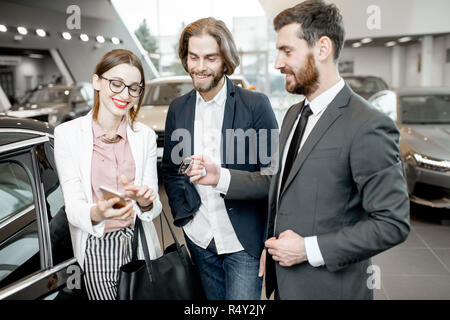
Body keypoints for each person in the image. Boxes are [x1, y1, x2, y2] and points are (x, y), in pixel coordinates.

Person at [187, 0, 410, 300]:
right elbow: (278, 187)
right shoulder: (294, 114)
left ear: (322, 48)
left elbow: (392, 222)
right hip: (285, 283)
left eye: (286, 51)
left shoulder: (368, 125)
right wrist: (221, 177)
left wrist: (308, 249)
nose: (277, 63)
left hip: (329, 290)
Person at [161, 17, 278, 300]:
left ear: (225, 60)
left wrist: (268, 241)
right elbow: (171, 169)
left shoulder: (256, 105)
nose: (200, 67)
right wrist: (185, 216)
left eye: (210, 58)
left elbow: (275, 179)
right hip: (200, 239)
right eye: (193, 57)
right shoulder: (178, 108)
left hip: (243, 242)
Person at [54, 49, 162, 300]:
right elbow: (73, 206)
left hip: (139, 243)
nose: (125, 95)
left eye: (134, 88)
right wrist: (98, 212)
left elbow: (154, 206)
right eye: (116, 84)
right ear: (96, 82)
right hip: (98, 243)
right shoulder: (68, 134)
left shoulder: (144, 136)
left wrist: (145, 201)